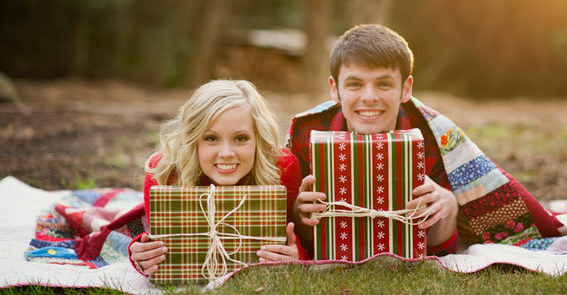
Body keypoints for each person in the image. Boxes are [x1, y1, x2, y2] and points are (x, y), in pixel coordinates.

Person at [289, 24, 460, 256]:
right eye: (355, 84)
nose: (369, 97)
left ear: (406, 88)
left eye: (384, 84)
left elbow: (442, 249)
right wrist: (300, 214)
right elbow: (298, 237)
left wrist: (448, 206)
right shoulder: (306, 132)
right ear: (335, 90)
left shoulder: (434, 136)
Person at [128, 79, 307, 276]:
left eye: (240, 138)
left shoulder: (282, 168)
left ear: (258, 138)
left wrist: (297, 254)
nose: (226, 153)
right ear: (193, 139)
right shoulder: (163, 173)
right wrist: (145, 254)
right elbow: (166, 241)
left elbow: (297, 239)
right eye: (211, 138)